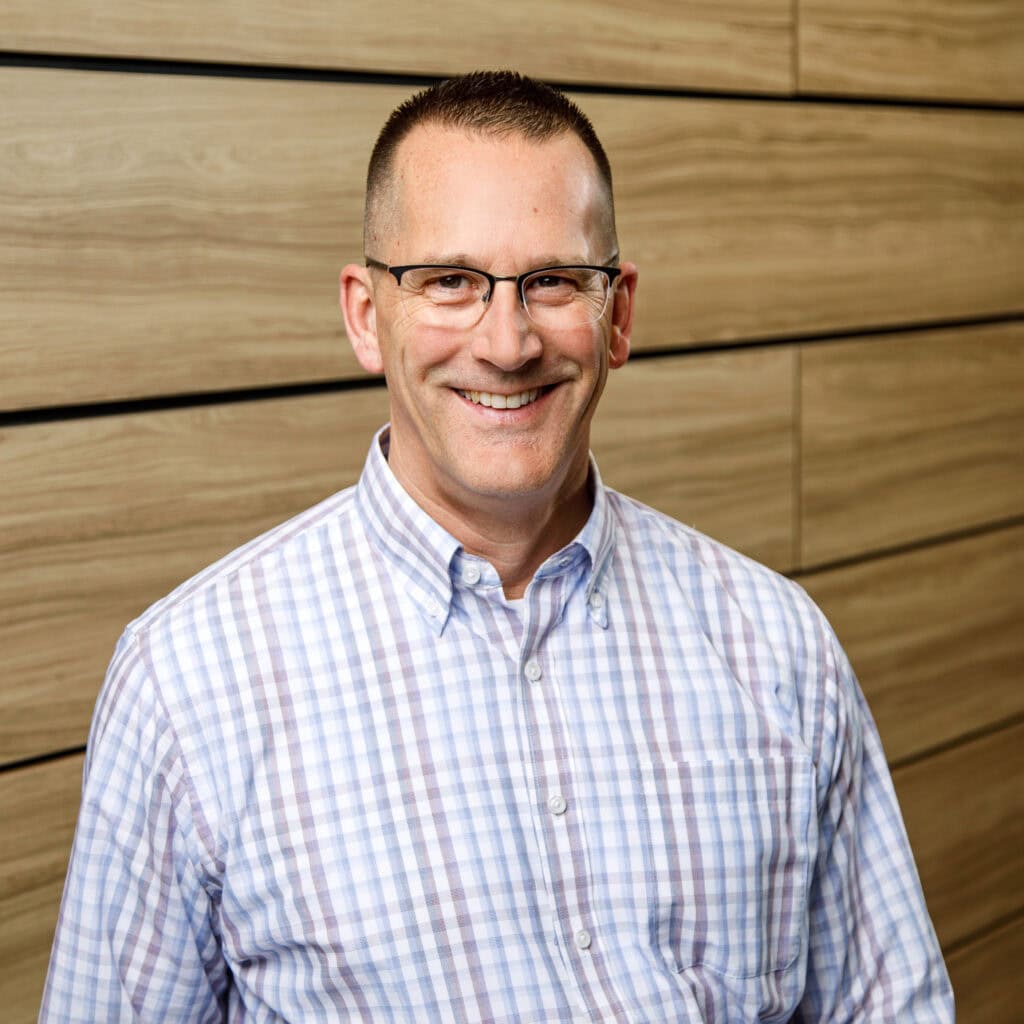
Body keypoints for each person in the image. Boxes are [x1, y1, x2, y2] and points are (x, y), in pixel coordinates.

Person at [42, 70, 953, 1022]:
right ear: (366, 314)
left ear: (619, 315)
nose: (508, 341)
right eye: (449, 282)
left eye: (554, 281)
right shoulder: (188, 682)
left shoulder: (778, 644)